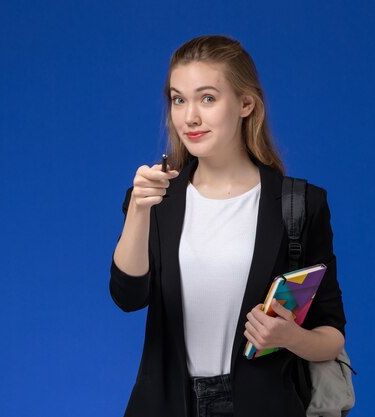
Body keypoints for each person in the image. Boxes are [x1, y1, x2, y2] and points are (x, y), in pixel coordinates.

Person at [109, 35, 346, 417]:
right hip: (167, 405)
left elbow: (331, 337)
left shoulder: (299, 205)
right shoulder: (156, 198)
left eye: (207, 98)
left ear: (245, 104)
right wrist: (138, 209)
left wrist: (291, 337)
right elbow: (128, 297)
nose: (190, 117)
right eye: (178, 99)